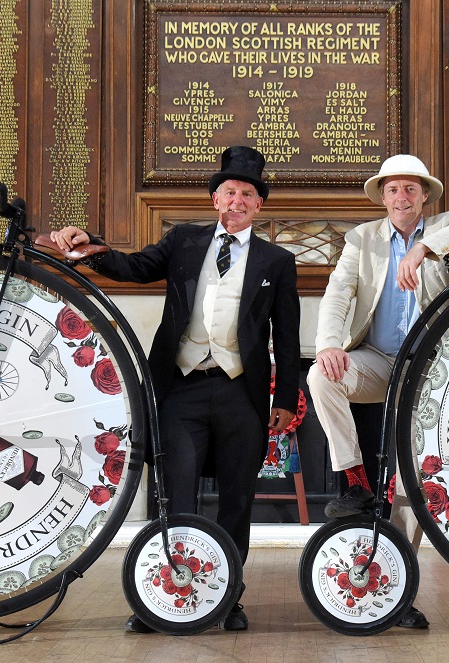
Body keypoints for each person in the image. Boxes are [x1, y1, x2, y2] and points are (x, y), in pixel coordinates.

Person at [50, 146, 300, 632]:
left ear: (258, 206)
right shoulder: (184, 240)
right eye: (229, 191)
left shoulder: (277, 260)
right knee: (174, 494)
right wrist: (93, 246)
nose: (237, 199)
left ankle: (227, 596)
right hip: (181, 389)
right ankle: (163, 597)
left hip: (240, 394)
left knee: (236, 500)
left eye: (247, 194)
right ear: (214, 199)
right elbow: (135, 267)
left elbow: (286, 336)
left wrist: (285, 399)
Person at [308, 154, 449, 629]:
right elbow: (337, 294)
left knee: (410, 482)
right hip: (375, 359)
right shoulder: (362, 239)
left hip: (430, 368)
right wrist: (329, 343)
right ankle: (354, 481)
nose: (401, 197)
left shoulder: (448, 226)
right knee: (320, 376)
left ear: (425, 195)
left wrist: (421, 251)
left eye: (410, 189)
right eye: (393, 190)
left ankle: (399, 592)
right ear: (383, 196)